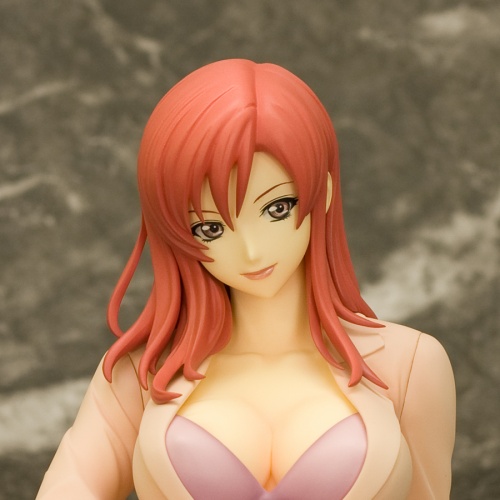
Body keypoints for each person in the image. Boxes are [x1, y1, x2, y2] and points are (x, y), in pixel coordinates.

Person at [37, 59, 455, 499]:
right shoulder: (142, 372)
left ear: (325, 191)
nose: (251, 251)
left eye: (277, 208)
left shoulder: (410, 365)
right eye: (210, 228)